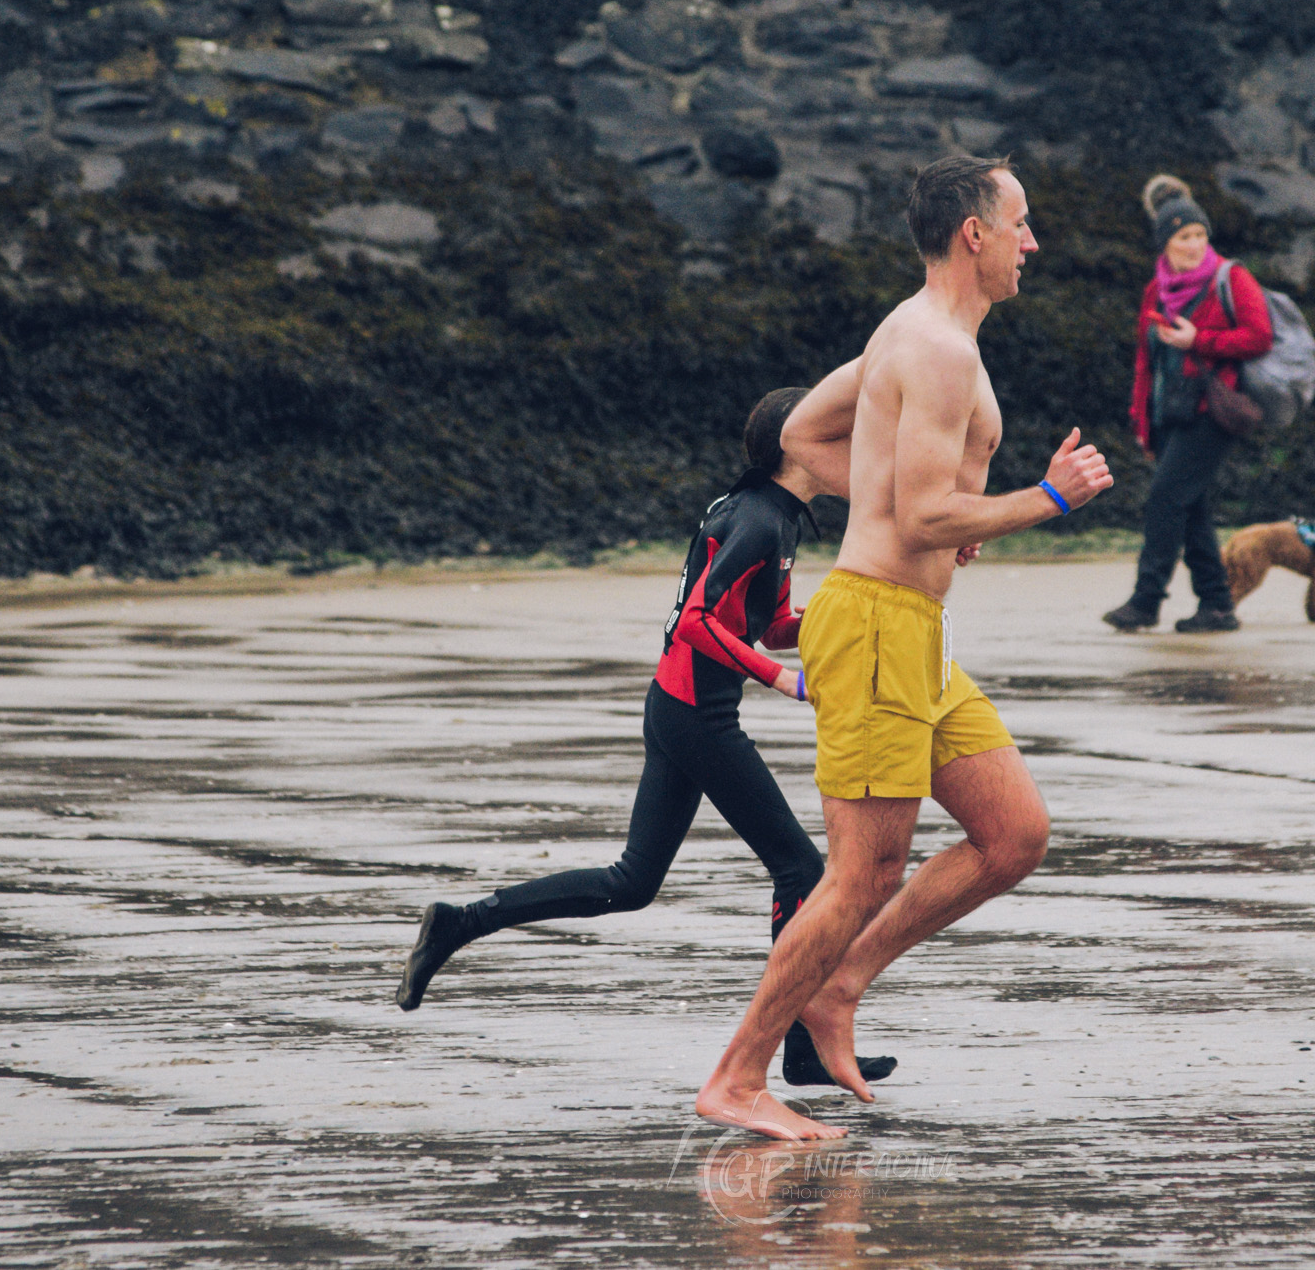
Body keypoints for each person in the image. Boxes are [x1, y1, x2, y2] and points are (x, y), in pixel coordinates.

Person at [692, 153, 1115, 1141]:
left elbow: (799, 429)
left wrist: (915, 505)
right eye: (1020, 222)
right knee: (860, 872)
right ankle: (737, 1073)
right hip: (875, 621)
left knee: (1012, 832)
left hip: (915, 630)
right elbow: (922, 510)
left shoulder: (915, 331)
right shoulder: (933, 347)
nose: (1032, 240)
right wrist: (1043, 499)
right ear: (975, 231)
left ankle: (839, 985)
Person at [399, 387, 897, 1091]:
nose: (847, 448)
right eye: (835, 434)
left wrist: (849, 613)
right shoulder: (757, 518)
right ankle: (799, 1048)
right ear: (798, 445)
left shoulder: (774, 514)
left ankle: (458, 923)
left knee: (632, 883)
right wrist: (783, 681)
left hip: (678, 706)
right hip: (697, 716)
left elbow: (769, 619)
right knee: (801, 870)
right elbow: (697, 620)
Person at [1102, 174, 1275, 634]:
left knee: (1164, 498)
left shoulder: (1231, 278)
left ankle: (1146, 601)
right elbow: (1146, 360)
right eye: (1184, 237)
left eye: (1200, 235)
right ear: (1166, 244)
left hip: (1213, 412)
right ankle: (1217, 605)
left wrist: (1201, 339)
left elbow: (1260, 337)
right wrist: (1142, 422)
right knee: (1190, 508)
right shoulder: (1155, 291)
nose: (1195, 244)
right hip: (1168, 413)